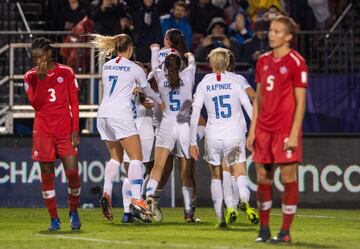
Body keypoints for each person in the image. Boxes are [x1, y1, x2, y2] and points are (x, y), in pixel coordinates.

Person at [246, 15, 308, 243]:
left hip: (284, 130)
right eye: (271, 30)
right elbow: (259, 98)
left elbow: (301, 102)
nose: (272, 34)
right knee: (263, 177)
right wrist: (252, 131)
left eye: (278, 31)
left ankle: (285, 232)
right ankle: (263, 229)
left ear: (289, 37)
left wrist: (294, 134)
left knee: (288, 177)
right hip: (263, 129)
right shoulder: (263, 61)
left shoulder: (297, 62)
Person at [93, 33, 164, 221]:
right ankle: (135, 199)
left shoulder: (106, 66)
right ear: (130, 49)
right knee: (136, 159)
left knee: (115, 158)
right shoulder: (134, 68)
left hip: (103, 114)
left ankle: (106, 192)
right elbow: (148, 91)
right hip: (121, 114)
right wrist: (160, 102)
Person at [189, 48, 253, 228]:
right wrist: (256, 131)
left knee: (216, 176)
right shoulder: (235, 82)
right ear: (227, 62)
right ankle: (243, 200)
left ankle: (221, 219)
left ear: (211, 63)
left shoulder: (204, 83)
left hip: (213, 135)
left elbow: (195, 113)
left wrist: (193, 141)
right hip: (233, 134)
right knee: (239, 173)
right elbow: (249, 108)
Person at [24, 37, 81, 230]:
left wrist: (75, 129)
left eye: (41, 55)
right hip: (43, 132)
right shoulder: (30, 77)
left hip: (65, 130)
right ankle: (54, 218)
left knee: (73, 173)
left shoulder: (66, 72)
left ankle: (73, 211)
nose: (38, 60)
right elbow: (36, 105)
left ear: (49, 53)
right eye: (35, 57)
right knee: (47, 175)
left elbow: (74, 102)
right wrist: (40, 81)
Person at [145, 45, 197, 222]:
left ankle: (150, 196)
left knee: (158, 166)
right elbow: (192, 63)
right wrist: (189, 56)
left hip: (167, 124)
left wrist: (154, 49)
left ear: (165, 65)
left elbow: (154, 66)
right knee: (186, 173)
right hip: (184, 126)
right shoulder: (188, 74)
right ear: (181, 65)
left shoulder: (160, 76)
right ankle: (189, 213)